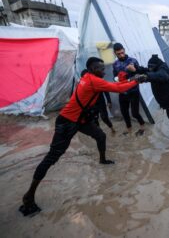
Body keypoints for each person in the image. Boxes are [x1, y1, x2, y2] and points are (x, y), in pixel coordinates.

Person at [19, 57, 142, 216]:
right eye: (100, 68)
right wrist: (136, 81)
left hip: (80, 120)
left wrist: (133, 79)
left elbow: (115, 85)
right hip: (67, 122)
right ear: (92, 68)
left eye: (103, 68)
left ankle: (102, 159)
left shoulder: (87, 77)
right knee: (52, 157)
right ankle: (28, 196)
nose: (103, 71)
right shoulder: (93, 80)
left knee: (100, 136)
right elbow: (117, 89)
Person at [137, 55, 169, 136]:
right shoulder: (154, 69)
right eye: (150, 68)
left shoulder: (163, 68)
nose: (150, 69)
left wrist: (147, 77)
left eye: (151, 68)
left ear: (156, 66)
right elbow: (146, 70)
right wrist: (137, 69)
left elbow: (162, 75)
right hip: (166, 101)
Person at [113, 43, 145, 136]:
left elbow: (140, 73)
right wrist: (116, 79)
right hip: (122, 92)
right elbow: (115, 75)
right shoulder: (115, 64)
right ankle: (129, 128)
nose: (121, 55)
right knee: (124, 112)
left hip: (133, 91)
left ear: (124, 50)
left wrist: (134, 70)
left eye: (122, 52)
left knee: (135, 113)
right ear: (115, 53)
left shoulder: (133, 61)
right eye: (118, 54)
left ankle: (142, 126)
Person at [81, 69, 115, 133]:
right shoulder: (83, 85)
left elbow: (106, 91)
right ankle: (100, 133)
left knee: (104, 118)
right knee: (95, 119)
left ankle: (112, 129)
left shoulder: (97, 81)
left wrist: (109, 101)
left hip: (100, 102)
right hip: (92, 105)